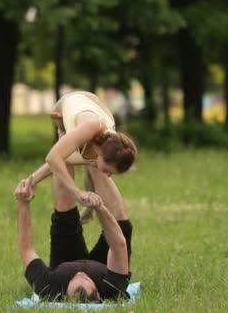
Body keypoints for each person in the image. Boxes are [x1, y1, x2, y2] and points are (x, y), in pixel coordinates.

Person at [14, 166, 133, 302]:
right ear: (99, 295)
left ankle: (65, 157)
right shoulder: (112, 289)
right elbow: (118, 245)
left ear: (64, 295)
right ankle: (95, 160)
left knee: (64, 208)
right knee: (122, 227)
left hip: (65, 259)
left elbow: (26, 249)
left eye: (75, 278)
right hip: (108, 265)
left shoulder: (49, 288)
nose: (80, 273)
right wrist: (99, 207)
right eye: (86, 278)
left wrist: (23, 203)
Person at [23, 91, 138, 220]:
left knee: (93, 165)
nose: (108, 175)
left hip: (95, 106)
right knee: (77, 162)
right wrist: (77, 193)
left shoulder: (112, 143)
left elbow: (60, 159)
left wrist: (31, 181)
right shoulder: (91, 128)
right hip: (66, 104)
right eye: (108, 170)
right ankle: (75, 213)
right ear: (102, 153)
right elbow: (53, 158)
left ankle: (89, 208)